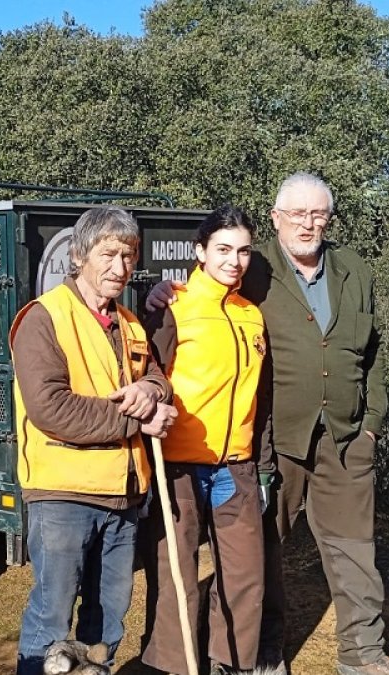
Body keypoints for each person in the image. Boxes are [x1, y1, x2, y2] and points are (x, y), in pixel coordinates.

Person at [147, 173, 389, 675]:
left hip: (344, 435)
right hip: (274, 439)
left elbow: (374, 351)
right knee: (262, 554)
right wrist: (164, 290)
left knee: (355, 549)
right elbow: (203, 289)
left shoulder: (353, 270)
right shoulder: (256, 269)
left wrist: (372, 422)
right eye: (297, 214)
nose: (308, 224)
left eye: (318, 214)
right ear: (277, 218)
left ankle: (363, 655)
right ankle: (265, 652)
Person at [11, 205, 178, 675]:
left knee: (106, 625)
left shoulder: (127, 322)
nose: (120, 267)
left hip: (123, 498)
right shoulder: (43, 319)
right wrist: (136, 422)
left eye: (128, 256)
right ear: (80, 254)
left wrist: (151, 389)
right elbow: (51, 409)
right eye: (109, 254)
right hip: (63, 496)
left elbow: (158, 377)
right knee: (51, 623)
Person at [139, 206, 275, 675]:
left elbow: (262, 392)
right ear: (200, 251)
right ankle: (174, 666)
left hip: (235, 465)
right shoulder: (171, 306)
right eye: (223, 249)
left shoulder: (251, 315)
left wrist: (260, 458)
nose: (234, 260)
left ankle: (230, 663)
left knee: (243, 578)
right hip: (178, 465)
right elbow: (148, 375)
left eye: (242, 251)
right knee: (176, 577)